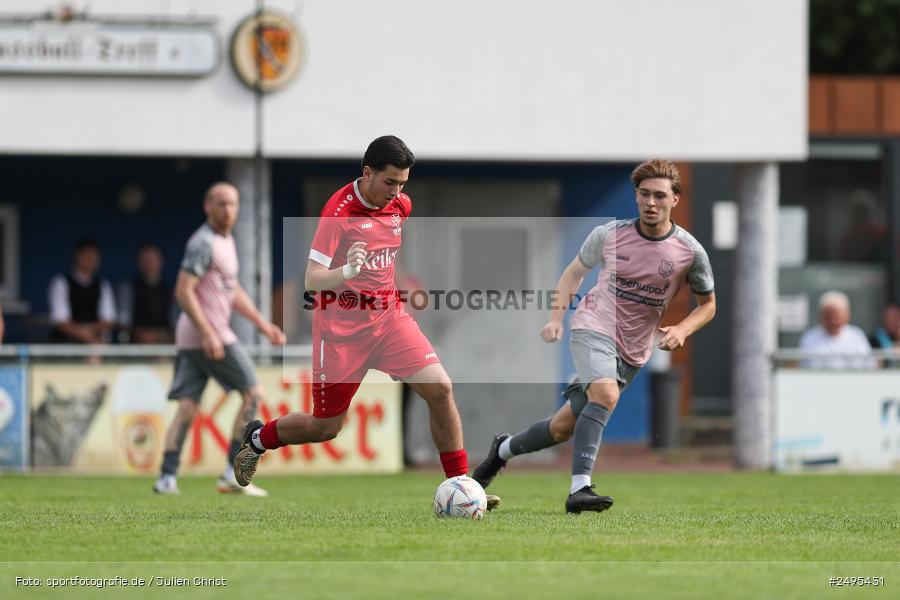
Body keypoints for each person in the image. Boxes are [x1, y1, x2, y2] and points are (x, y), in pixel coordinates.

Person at [232, 136, 499, 510]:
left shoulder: (400, 205)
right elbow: (312, 279)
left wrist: (398, 282)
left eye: (402, 184)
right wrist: (347, 271)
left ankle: (461, 488)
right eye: (390, 182)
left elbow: (385, 254)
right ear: (367, 172)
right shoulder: (338, 212)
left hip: (389, 321)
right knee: (326, 427)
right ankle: (259, 439)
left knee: (440, 388)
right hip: (341, 333)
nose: (396, 192)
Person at [472, 159, 716, 514]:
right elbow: (573, 273)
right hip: (593, 326)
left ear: (675, 199)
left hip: (633, 351)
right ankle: (580, 489)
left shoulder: (689, 252)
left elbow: (708, 305)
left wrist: (681, 329)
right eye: (644, 194)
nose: (651, 202)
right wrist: (556, 319)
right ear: (636, 195)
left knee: (561, 429)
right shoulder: (609, 235)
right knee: (606, 393)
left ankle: (502, 450)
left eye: (660, 195)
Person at [153, 182, 286, 496]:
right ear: (207, 206)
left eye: (232, 204)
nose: (227, 210)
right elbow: (183, 291)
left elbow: (231, 290)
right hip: (210, 335)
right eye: (221, 203)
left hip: (194, 337)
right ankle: (232, 472)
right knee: (253, 394)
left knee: (187, 408)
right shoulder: (203, 242)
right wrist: (209, 333)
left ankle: (166, 478)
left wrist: (261, 323)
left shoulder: (226, 241)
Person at [48, 239, 117, 343]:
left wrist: (90, 332)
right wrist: (83, 334)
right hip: (65, 342)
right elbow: (60, 320)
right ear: (76, 256)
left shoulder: (103, 285)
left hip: (96, 341)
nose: (90, 260)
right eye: (86, 256)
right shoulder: (61, 282)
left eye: (93, 257)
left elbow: (108, 320)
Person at [799, 291, 874, 370]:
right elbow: (803, 368)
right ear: (820, 316)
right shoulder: (809, 338)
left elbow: (869, 365)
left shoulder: (857, 336)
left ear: (847, 315)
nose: (833, 321)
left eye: (837, 317)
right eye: (828, 317)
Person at [118, 242, 175, 344]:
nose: (149, 263)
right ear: (139, 262)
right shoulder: (129, 287)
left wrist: (164, 335)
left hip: (164, 337)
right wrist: (139, 333)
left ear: (161, 261)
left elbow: (174, 321)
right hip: (137, 340)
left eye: (153, 259)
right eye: (146, 259)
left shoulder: (170, 289)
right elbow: (123, 322)